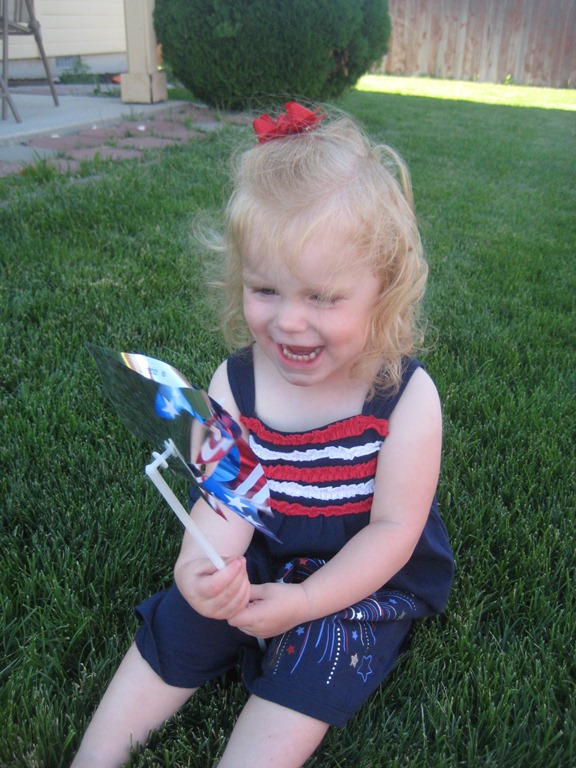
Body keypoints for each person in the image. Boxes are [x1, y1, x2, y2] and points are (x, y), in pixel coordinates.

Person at [71, 102, 454, 768]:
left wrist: (307, 600)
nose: (289, 322)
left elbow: (395, 531)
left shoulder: (406, 397)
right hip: (261, 551)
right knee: (186, 612)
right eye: (265, 290)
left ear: (384, 290)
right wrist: (200, 570)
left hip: (357, 578)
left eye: (323, 297)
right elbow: (224, 502)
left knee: (322, 653)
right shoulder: (233, 384)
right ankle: (94, 756)